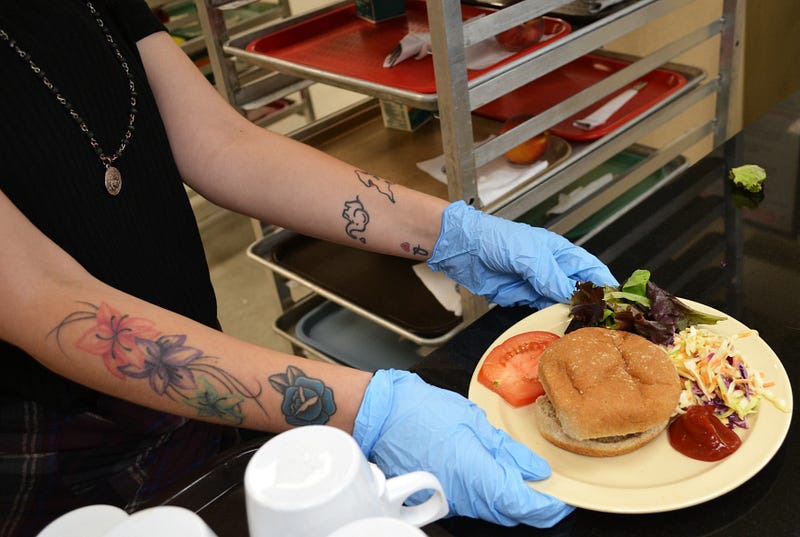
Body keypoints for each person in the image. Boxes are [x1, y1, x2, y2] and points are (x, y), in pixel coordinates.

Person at [0, 2, 617, 535]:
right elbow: (41, 296)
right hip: (47, 440)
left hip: (199, 368)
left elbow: (222, 144)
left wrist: (454, 235)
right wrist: (367, 409)